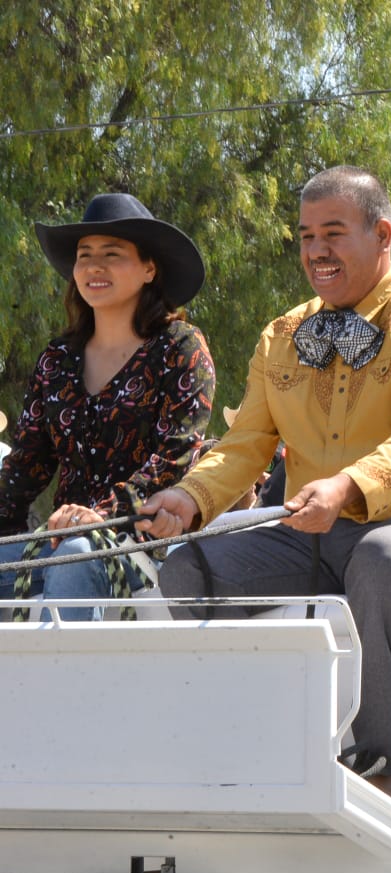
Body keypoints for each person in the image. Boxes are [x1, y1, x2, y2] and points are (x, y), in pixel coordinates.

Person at [138, 166, 391, 805]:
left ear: (382, 234)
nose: (316, 251)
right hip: (311, 535)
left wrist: (348, 487)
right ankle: (243, 754)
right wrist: (189, 499)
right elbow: (245, 446)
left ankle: (384, 768)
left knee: (381, 558)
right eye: (304, 236)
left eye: (333, 233)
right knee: (186, 572)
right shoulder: (282, 335)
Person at [0, 193, 215, 620]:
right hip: (59, 535)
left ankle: (62, 685)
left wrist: (97, 515)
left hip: (144, 538)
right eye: (85, 256)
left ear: (149, 268)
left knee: (78, 553)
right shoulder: (56, 359)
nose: (94, 267)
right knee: (68, 548)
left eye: (112, 254)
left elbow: (176, 455)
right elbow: (27, 464)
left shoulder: (180, 348)